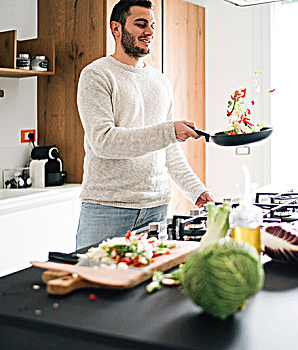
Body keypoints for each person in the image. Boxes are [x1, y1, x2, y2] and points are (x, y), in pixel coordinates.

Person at [76, 0, 213, 249]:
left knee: (148, 285)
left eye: (152, 25)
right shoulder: (96, 75)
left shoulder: (160, 82)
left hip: (156, 208)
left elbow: (168, 148)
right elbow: (103, 142)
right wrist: (168, 131)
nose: (149, 32)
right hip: (108, 208)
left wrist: (196, 190)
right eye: (140, 24)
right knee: (94, 281)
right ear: (116, 28)